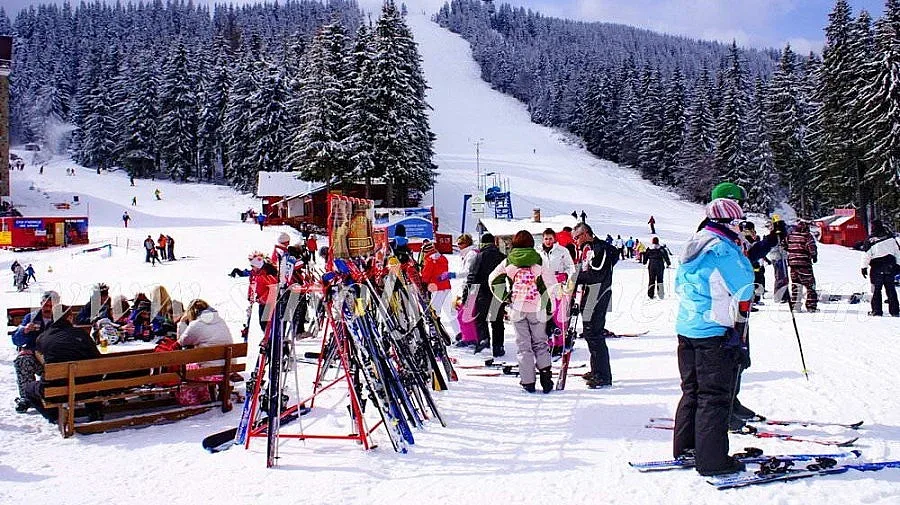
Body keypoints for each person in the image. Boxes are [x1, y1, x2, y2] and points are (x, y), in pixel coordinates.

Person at [672, 198, 754, 476]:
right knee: (715, 396)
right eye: (738, 223)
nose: (740, 228)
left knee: (692, 391)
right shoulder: (722, 249)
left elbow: (678, 284)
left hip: (687, 327)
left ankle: (686, 447)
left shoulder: (694, 244)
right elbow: (745, 288)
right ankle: (712, 461)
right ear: (728, 223)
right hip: (714, 330)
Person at [489, 230, 559, 393]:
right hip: (537, 309)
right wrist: (549, 307)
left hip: (518, 308)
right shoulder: (538, 261)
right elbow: (551, 285)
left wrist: (506, 297)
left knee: (523, 346)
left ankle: (527, 382)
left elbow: (493, 279)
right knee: (541, 344)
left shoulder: (508, 262)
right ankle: (546, 378)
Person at [23, 310, 103, 422]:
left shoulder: (43, 337)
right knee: (89, 376)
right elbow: (97, 358)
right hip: (87, 389)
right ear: (69, 318)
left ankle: (56, 417)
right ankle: (95, 411)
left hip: (56, 391)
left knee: (29, 389)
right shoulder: (81, 333)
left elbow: (40, 354)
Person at [572, 222, 619, 388]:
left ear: (585, 234)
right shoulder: (588, 249)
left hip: (598, 295)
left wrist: (576, 277)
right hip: (589, 295)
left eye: (576, 238)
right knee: (589, 332)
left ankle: (603, 375)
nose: (575, 241)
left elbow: (596, 273)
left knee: (595, 333)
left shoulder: (599, 248)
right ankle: (596, 369)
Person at [11, 290, 61, 413]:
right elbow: (16, 341)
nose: (47, 308)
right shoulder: (31, 318)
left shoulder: (60, 319)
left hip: (54, 357)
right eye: (45, 305)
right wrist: (24, 331)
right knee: (22, 360)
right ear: (41, 303)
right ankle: (27, 397)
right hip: (34, 357)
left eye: (51, 306)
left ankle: (58, 394)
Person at [466, 233, 506, 356]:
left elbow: (472, 277)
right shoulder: (502, 257)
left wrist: (468, 296)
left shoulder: (478, 257)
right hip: (498, 291)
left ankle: (484, 340)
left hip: (482, 292)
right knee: (497, 321)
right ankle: (498, 347)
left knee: (480, 318)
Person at [539, 228, 576, 355]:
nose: (548, 241)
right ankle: (548, 343)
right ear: (542, 239)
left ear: (554, 239)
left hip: (558, 285)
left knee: (559, 317)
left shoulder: (562, 251)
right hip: (543, 287)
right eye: (546, 239)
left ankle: (560, 343)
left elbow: (571, 267)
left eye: (550, 238)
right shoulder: (538, 252)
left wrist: (565, 275)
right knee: (545, 316)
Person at [420, 241, 460, 339]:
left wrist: (423, 283)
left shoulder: (429, 260)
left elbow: (426, 275)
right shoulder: (443, 258)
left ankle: (434, 333)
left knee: (434, 311)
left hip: (435, 289)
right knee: (450, 312)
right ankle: (459, 332)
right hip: (446, 287)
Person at [176, 299, 235, 366]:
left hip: (207, 371)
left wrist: (182, 322)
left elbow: (181, 342)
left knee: (183, 368)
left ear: (191, 313)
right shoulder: (221, 321)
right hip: (228, 369)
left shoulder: (195, 325)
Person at [861, 219, 900, 317]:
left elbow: (866, 255)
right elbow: (898, 253)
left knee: (876, 290)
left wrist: (864, 267)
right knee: (891, 289)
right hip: (890, 267)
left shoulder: (870, 239)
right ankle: (895, 311)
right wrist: (898, 265)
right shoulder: (891, 238)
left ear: (873, 227)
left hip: (876, 268)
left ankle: (876, 311)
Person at [786, 221, 818, 312]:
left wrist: (792, 254)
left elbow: (784, 245)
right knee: (810, 285)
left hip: (792, 265)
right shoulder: (807, 236)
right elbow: (811, 247)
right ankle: (811, 306)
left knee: (796, 285)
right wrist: (814, 256)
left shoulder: (790, 235)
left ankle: (795, 305)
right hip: (804, 264)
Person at [455, 233, 479, 345]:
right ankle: (467, 335)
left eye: (461, 243)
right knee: (462, 313)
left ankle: (470, 339)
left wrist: (452, 274)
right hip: (468, 288)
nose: (458, 246)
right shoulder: (467, 254)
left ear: (467, 243)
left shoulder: (471, 255)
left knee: (464, 315)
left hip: (471, 288)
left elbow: (468, 272)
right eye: (458, 243)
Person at [248, 252, 279, 333]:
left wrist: (263, 298)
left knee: (267, 324)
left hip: (268, 302)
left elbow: (273, 289)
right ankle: (266, 339)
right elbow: (252, 285)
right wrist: (250, 296)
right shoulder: (254, 273)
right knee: (262, 323)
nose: (252, 268)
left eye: (253, 266)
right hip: (261, 301)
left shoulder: (267, 273)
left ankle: (269, 340)